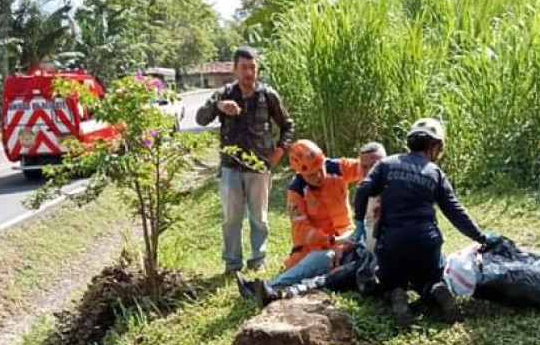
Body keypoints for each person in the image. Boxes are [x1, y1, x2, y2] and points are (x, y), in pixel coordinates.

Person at [354, 118, 498, 327]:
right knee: (431, 276)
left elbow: (363, 189)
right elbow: (455, 211)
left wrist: (359, 221)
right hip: (426, 241)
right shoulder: (435, 173)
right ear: (435, 146)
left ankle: (396, 295)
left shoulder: (386, 164)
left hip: (392, 241)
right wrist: (481, 237)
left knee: (388, 280)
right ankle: (437, 289)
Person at [236, 139, 384, 305]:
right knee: (313, 262)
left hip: (349, 237)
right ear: (300, 173)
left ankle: (267, 287)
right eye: (311, 175)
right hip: (318, 244)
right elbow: (303, 230)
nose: (319, 176)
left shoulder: (338, 167)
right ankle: (268, 286)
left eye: (320, 169)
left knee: (328, 264)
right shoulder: (296, 191)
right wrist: (332, 241)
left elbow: (368, 168)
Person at [195, 46, 295, 273]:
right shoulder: (224, 94)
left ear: (257, 68)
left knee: (259, 217)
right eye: (244, 68)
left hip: (259, 168)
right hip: (231, 167)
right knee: (231, 219)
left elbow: (287, 126)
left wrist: (278, 153)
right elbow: (201, 119)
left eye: (252, 67)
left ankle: (258, 259)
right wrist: (218, 106)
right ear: (235, 69)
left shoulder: (268, 94)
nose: (249, 72)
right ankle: (232, 263)